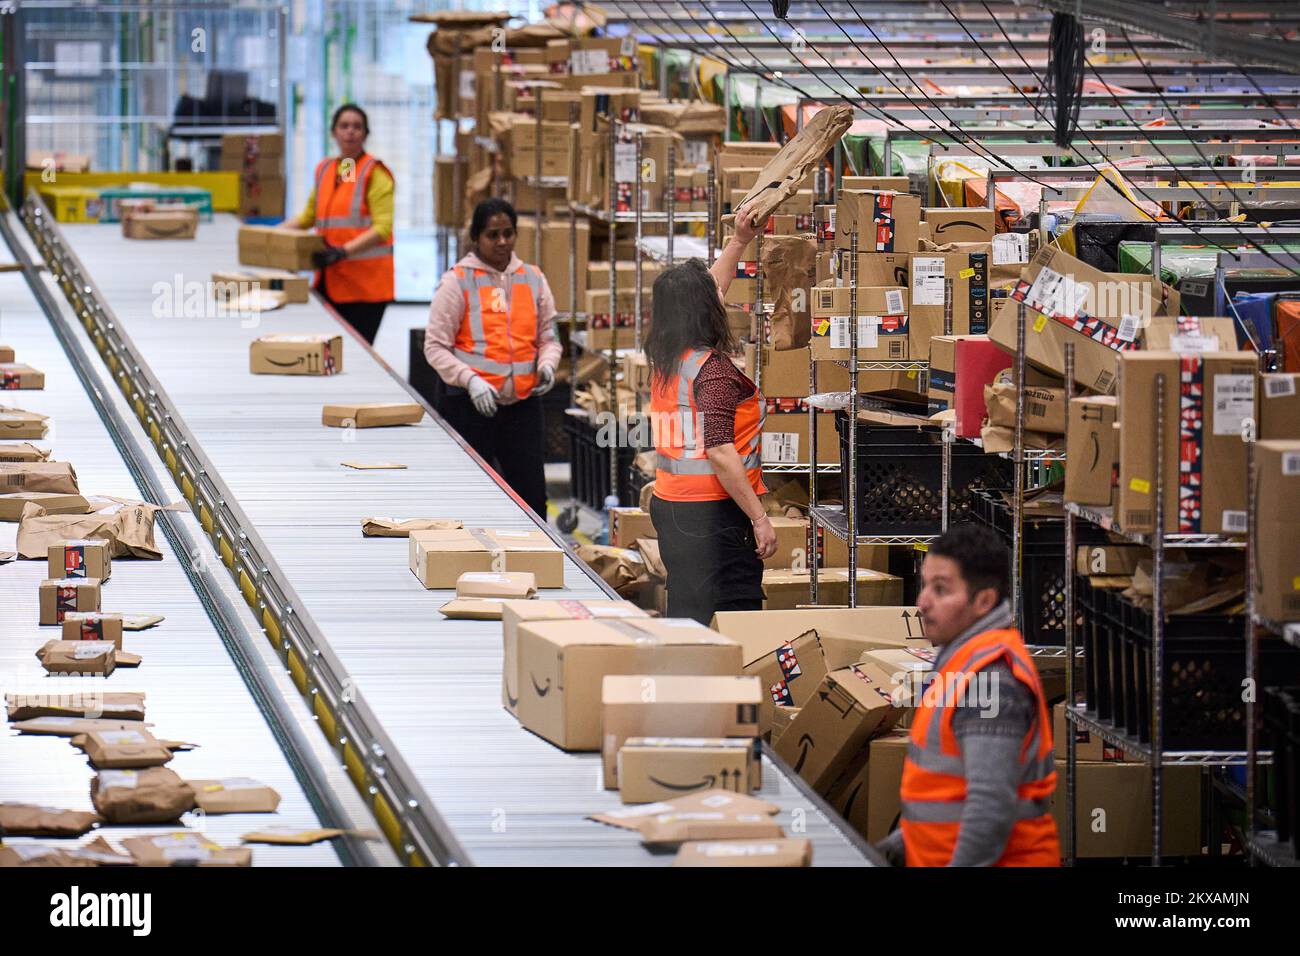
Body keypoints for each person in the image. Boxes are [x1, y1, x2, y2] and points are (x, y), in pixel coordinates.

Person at [876, 522, 1060, 867]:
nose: (922, 602)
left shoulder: (990, 680)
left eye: (941, 589)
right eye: (924, 584)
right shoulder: (963, 658)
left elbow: (988, 810)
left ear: (984, 601)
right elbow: (949, 789)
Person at [645, 206, 778, 625]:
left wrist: (740, 239)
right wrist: (759, 518)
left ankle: (689, 686)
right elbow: (721, 451)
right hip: (712, 518)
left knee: (689, 613)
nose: (722, 297)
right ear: (705, 311)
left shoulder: (667, 354)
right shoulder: (712, 372)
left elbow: (712, 288)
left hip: (671, 505)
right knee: (734, 619)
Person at [424, 198, 559, 518]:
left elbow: (549, 338)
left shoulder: (533, 278)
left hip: (523, 406)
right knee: (471, 500)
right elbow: (435, 346)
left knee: (531, 500)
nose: (502, 242)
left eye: (508, 233)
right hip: (471, 408)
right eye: (492, 234)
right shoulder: (458, 281)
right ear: (476, 237)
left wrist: (547, 365)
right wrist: (470, 381)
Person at [293, 103, 394, 345]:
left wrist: (343, 252)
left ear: (366, 135)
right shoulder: (333, 169)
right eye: (344, 126)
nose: (350, 132)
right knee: (329, 349)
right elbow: (307, 217)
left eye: (357, 127)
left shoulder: (375, 173)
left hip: (364, 288)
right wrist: (268, 235)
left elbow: (382, 228)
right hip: (331, 280)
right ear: (334, 133)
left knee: (355, 353)